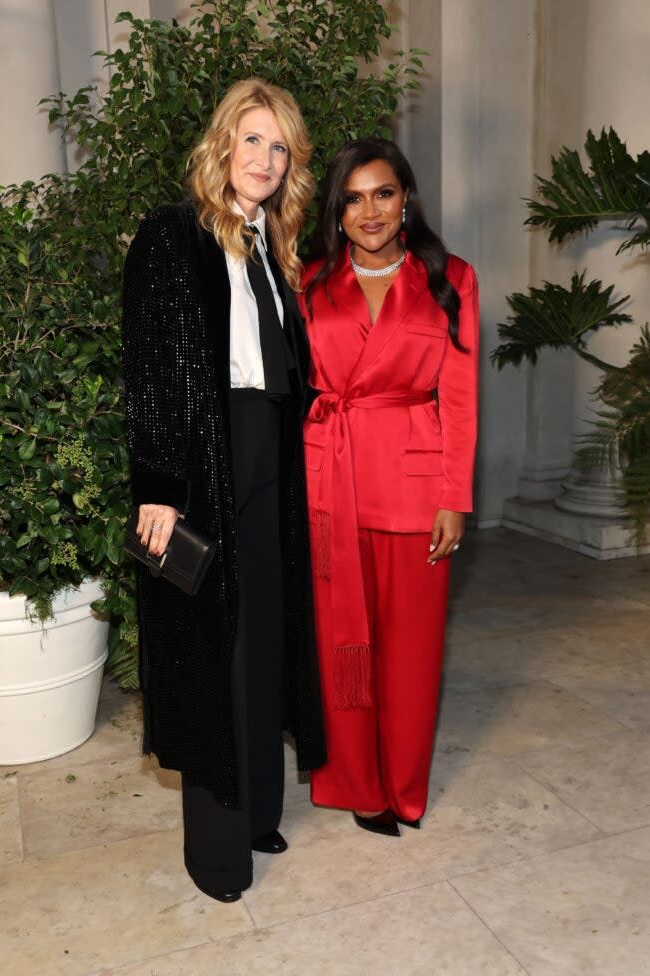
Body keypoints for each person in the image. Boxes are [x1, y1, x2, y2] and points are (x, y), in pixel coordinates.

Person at [121, 79, 326, 902]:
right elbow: (153, 369)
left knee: (265, 637)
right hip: (204, 463)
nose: (266, 159)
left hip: (269, 460)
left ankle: (256, 812)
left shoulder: (273, 245)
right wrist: (160, 488)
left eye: (279, 147)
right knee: (212, 652)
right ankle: (215, 851)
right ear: (221, 146)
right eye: (252, 141)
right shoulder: (174, 233)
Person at [299, 137, 478, 837]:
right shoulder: (309, 279)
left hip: (413, 484)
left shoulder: (449, 277)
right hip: (328, 481)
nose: (368, 210)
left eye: (382, 193)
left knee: (408, 653)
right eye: (352, 197)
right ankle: (356, 785)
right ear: (336, 211)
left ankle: (403, 785)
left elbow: (458, 395)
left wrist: (453, 496)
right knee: (340, 646)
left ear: (406, 200)